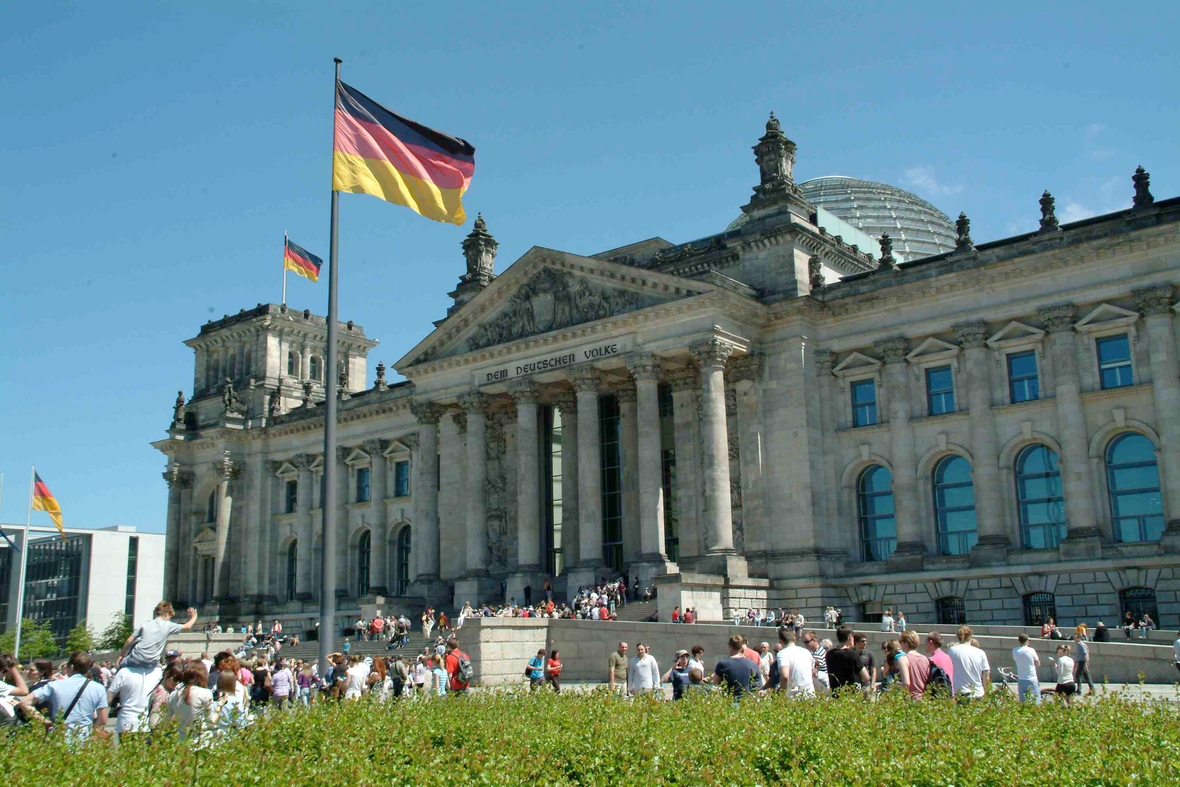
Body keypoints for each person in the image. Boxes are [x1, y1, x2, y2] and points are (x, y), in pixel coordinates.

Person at [167, 660, 215, 744]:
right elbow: (211, 721)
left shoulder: (174, 694)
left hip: (181, 740)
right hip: (200, 740)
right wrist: (220, 706)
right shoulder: (205, 693)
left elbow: (167, 721)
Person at [947, 625, 990, 700]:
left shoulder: (953, 650)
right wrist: (986, 691)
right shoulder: (981, 653)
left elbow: (948, 670)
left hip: (961, 693)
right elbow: (986, 674)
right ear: (971, 636)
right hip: (978, 693)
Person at [826, 625, 869, 695]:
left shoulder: (829, 654)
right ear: (849, 637)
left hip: (835, 693)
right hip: (851, 694)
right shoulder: (853, 654)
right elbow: (865, 677)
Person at [776, 627, 816, 698]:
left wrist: (781, 694)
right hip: (810, 694)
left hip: (793, 697)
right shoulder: (806, 652)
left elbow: (785, 676)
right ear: (794, 639)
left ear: (781, 642)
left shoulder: (782, 654)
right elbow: (813, 672)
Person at [897, 630, 930, 699]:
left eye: (900, 642)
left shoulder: (903, 659)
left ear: (906, 642)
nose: (900, 644)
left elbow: (906, 683)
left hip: (912, 698)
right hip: (925, 698)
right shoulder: (925, 658)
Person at [1012, 633, 1041, 704]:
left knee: (1023, 702)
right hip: (1031, 678)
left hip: (1021, 679)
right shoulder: (1031, 650)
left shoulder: (1014, 651)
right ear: (1027, 641)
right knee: (1035, 701)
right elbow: (1038, 663)